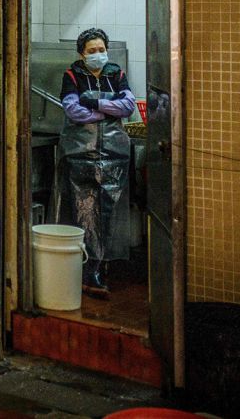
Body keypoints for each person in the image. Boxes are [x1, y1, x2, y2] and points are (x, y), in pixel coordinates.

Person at [59, 27, 137, 297]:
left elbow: (128, 106)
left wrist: (94, 100)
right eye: (92, 51)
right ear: (82, 53)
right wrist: (108, 108)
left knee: (107, 212)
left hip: (115, 154)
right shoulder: (72, 75)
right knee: (85, 210)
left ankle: (100, 267)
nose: (98, 54)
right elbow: (73, 110)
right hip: (81, 153)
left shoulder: (116, 73)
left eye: (101, 50)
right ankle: (88, 268)